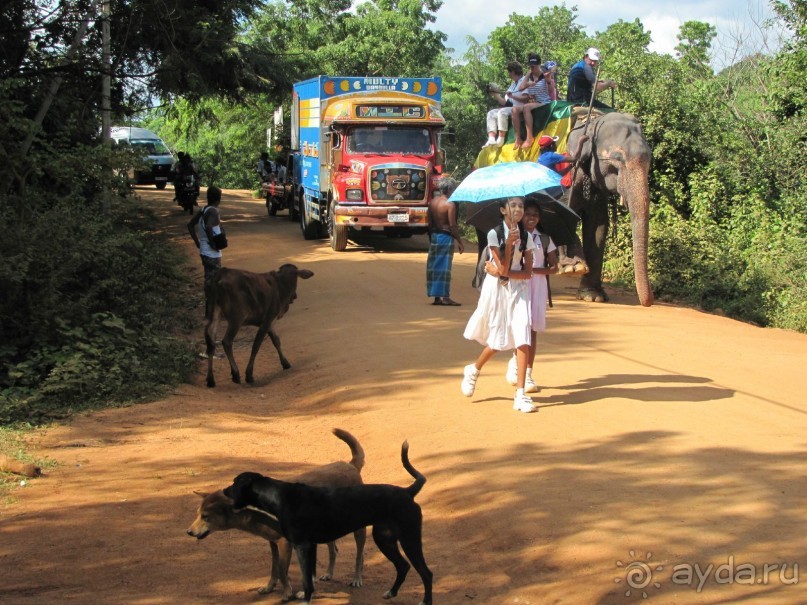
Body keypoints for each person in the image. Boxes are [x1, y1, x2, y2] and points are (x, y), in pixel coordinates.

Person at [461, 197, 538, 413]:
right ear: (503, 210)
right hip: (497, 290)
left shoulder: (527, 236)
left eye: (521, 206)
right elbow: (502, 271)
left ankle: (520, 395)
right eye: (513, 205)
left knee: (523, 338)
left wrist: (505, 270)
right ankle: (473, 370)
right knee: (498, 340)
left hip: (520, 290)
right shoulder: (494, 234)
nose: (518, 209)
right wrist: (509, 247)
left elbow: (527, 273)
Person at [504, 199, 558, 391]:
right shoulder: (514, 236)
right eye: (528, 214)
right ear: (520, 216)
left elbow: (554, 267)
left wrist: (535, 271)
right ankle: (515, 360)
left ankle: (527, 373)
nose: (531, 217)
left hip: (537, 286)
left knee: (532, 329)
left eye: (535, 214)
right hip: (518, 284)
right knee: (520, 325)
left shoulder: (544, 239)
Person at [187, 186, 224, 318]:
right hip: (211, 253)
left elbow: (190, 225)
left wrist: (198, 242)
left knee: (209, 281)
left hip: (204, 250)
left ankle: (210, 311)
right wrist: (213, 244)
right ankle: (212, 313)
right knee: (214, 283)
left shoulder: (204, 210)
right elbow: (209, 227)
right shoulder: (213, 211)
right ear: (218, 199)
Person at [427, 176, 464, 306]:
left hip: (435, 236)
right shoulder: (450, 204)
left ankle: (437, 297)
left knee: (435, 267)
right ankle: (445, 297)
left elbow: (430, 223)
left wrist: (432, 238)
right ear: (449, 189)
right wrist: (459, 241)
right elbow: (452, 225)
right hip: (446, 237)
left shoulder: (432, 202)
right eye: (453, 189)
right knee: (444, 268)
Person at [512, 54, 551, 149]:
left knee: (526, 107)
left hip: (544, 102)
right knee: (514, 110)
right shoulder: (529, 76)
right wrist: (527, 83)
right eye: (530, 66)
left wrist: (548, 80)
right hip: (533, 102)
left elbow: (550, 91)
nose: (532, 68)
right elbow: (521, 88)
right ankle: (518, 138)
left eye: (534, 66)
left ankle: (529, 138)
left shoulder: (545, 74)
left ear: (539, 65)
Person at [483, 62, 524, 148]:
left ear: (513, 71)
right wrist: (495, 94)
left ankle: (501, 139)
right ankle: (491, 138)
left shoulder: (523, 81)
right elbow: (506, 103)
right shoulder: (513, 84)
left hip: (519, 107)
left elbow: (525, 98)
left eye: (509, 72)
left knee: (502, 112)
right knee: (491, 113)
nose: (509, 74)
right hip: (510, 107)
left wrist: (512, 96)